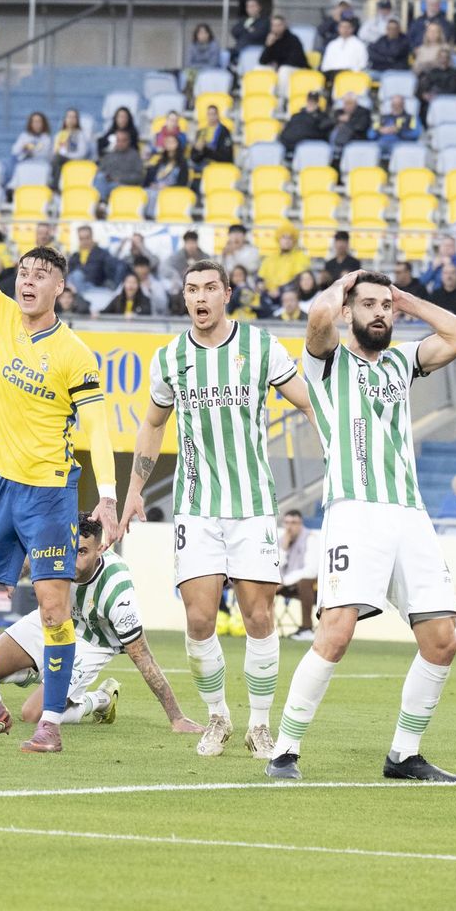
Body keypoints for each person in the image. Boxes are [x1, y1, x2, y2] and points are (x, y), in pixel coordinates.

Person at [0, 131, 119, 756]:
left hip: (49, 497)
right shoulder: (3, 317)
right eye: (24, 273)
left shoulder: (74, 354)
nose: (28, 281)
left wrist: (110, 495)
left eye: (42, 276)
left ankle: (51, 725)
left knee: (56, 610)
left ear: (60, 288)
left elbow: (96, 426)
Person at [266, 269, 456, 782]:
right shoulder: (326, 363)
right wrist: (343, 285)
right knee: (335, 632)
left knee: (443, 639)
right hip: (354, 510)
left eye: (386, 306)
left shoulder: (402, 362)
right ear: (348, 310)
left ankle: (404, 754)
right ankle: (285, 751)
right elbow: (317, 318)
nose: (379, 312)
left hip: (409, 513)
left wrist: (408, 300)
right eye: (369, 304)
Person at [115, 258, 314, 757]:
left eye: (208, 288)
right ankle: (218, 717)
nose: (199, 297)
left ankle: (260, 725)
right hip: (197, 506)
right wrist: (135, 489)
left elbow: (307, 401)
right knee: (200, 619)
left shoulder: (261, 347)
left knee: (258, 615)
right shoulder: (170, 358)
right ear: (183, 298)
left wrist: (335, 445)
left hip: (251, 505)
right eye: (190, 289)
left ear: (227, 293)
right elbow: (153, 423)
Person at [0, 513, 201, 733]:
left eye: (82, 552)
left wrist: (176, 718)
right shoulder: (58, 551)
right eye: (71, 549)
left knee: (32, 714)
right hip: (50, 620)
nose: (72, 559)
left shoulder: (117, 590)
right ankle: (39, 671)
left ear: (100, 549)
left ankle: (99, 699)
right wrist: (8, 575)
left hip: (91, 643)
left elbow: (143, 657)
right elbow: (28, 562)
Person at [275, 509, 320, 641]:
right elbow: (275, 567)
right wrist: (283, 547)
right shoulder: (281, 540)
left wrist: (284, 581)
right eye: (287, 522)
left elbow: (311, 570)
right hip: (283, 583)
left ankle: (306, 628)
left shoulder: (310, 538)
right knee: (264, 584)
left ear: (300, 523)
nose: (290, 526)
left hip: (306, 584)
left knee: (304, 582)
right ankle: (263, 629)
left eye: (294, 522)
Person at [259, 229, 308, 294]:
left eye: (290, 238)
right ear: (278, 239)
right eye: (283, 237)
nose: (286, 241)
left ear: (294, 241)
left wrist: (280, 290)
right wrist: (260, 284)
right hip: (268, 294)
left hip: (290, 294)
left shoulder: (301, 257)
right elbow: (261, 277)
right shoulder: (270, 258)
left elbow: (299, 279)